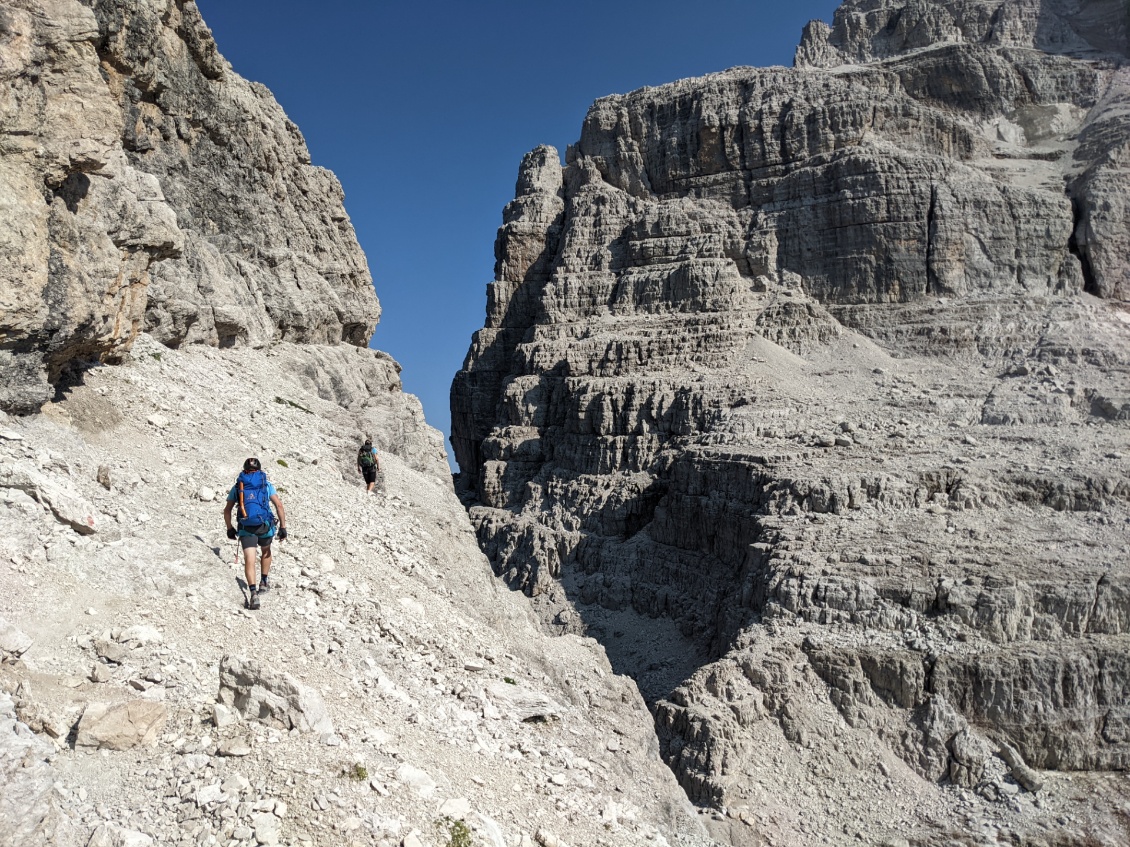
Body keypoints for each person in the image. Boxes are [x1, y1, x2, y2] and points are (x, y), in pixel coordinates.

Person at [223, 458, 287, 610]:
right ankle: (264, 582)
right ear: (259, 469)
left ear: (244, 469)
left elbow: (227, 509)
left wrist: (229, 528)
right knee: (266, 551)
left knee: (249, 559)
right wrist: (283, 527)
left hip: (246, 527)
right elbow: (278, 505)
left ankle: (253, 593)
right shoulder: (265, 484)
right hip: (264, 525)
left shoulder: (239, 486)